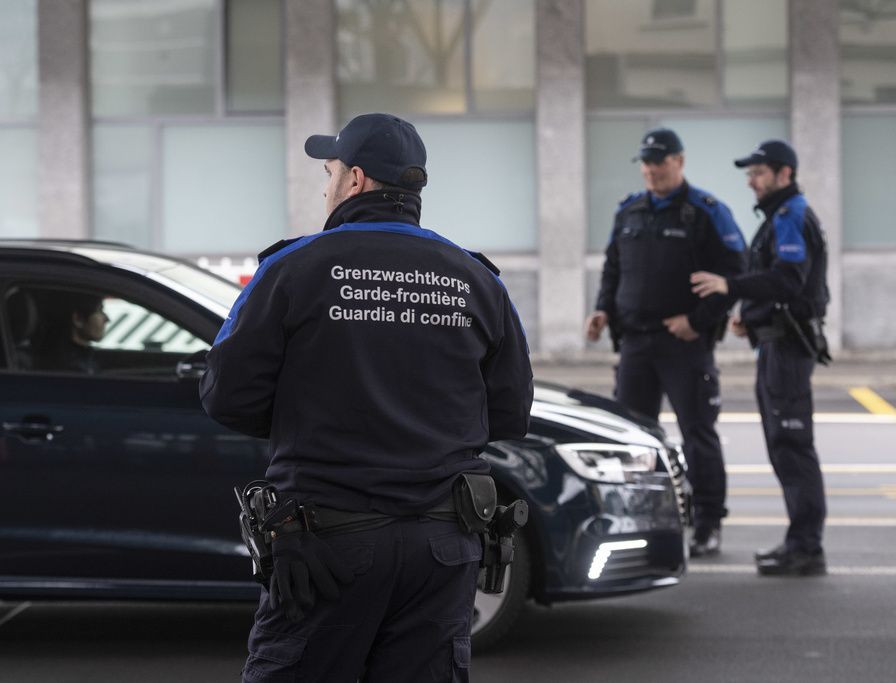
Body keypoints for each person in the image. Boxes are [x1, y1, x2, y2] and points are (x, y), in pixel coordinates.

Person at [200, 113, 533, 681]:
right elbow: (507, 408)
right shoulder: (476, 279)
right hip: (443, 547)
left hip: (326, 542)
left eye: (328, 173)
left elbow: (226, 395)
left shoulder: (292, 267)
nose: (325, 187)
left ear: (355, 180)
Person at [584, 128, 747, 558]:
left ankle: (708, 523)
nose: (651, 170)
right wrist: (602, 311)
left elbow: (735, 275)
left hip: (684, 346)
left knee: (698, 435)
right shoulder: (629, 212)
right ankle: (639, 521)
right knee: (631, 440)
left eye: (660, 162)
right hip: (635, 344)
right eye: (646, 163)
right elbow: (613, 269)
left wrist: (698, 321)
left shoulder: (706, 212)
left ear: (680, 161)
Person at [691, 139, 829, 576]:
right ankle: (800, 542)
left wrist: (731, 288)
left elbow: (789, 279)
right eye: (749, 174)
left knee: (791, 445)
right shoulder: (778, 218)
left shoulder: (791, 216)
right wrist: (751, 317)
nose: (750, 182)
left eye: (758, 173)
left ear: (784, 174)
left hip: (787, 350)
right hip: (774, 343)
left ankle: (807, 547)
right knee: (782, 446)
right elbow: (779, 284)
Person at [36, 292, 108, 374]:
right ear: (78, 319)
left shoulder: (83, 359)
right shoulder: (69, 368)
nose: (107, 319)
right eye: (100, 311)